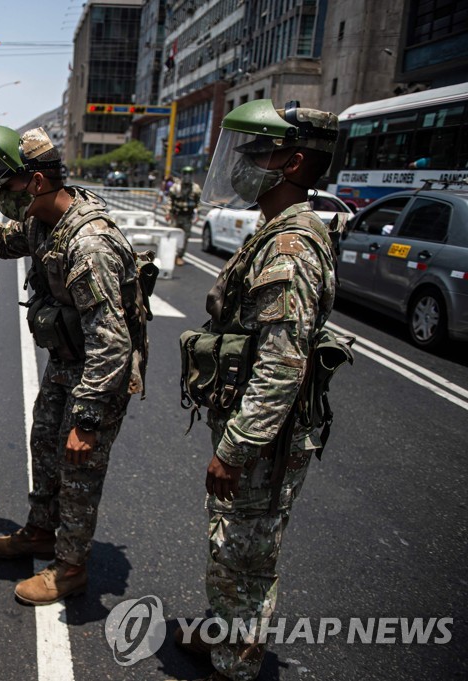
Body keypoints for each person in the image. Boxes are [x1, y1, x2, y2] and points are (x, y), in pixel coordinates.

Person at [0, 126, 153, 605]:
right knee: (45, 449)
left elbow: (112, 342)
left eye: (8, 189)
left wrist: (89, 419)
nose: (5, 199)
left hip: (99, 373)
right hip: (65, 361)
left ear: (35, 182)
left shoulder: (89, 244)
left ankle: (71, 566)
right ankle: (41, 531)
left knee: (78, 465)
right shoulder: (43, 222)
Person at [176, 100, 349, 680]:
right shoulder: (276, 231)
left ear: (293, 162)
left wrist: (236, 447)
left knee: (246, 553)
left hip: (264, 441)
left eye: (259, 151)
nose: (245, 163)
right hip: (254, 430)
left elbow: (282, 364)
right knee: (231, 542)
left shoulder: (290, 246)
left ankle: (235, 663)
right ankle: (223, 633)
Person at [165, 165, 202, 266]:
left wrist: (198, 214)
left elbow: (199, 202)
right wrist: (168, 213)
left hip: (187, 217)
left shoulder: (195, 188)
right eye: (185, 174)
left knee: (185, 237)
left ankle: (179, 256)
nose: (187, 176)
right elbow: (170, 200)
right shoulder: (175, 187)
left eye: (189, 174)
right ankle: (170, 255)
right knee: (172, 235)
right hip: (175, 216)